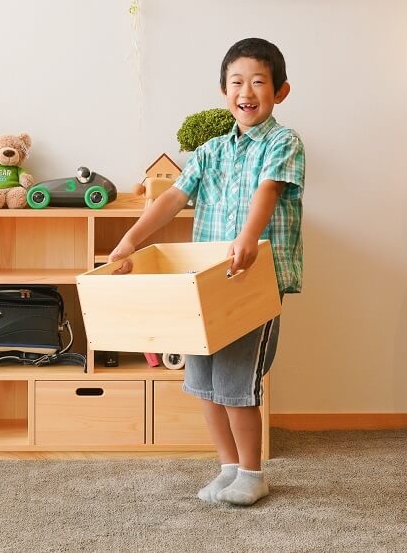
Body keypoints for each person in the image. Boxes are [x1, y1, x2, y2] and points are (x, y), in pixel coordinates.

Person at [108, 37, 305, 506]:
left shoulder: (284, 141)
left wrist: (247, 239)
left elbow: (268, 191)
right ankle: (229, 468)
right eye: (237, 81)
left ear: (280, 91)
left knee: (238, 384)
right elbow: (173, 199)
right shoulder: (210, 151)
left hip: (252, 283)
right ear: (223, 90)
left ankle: (253, 473)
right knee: (205, 384)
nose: (247, 91)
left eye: (259, 81)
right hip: (205, 284)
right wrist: (132, 239)